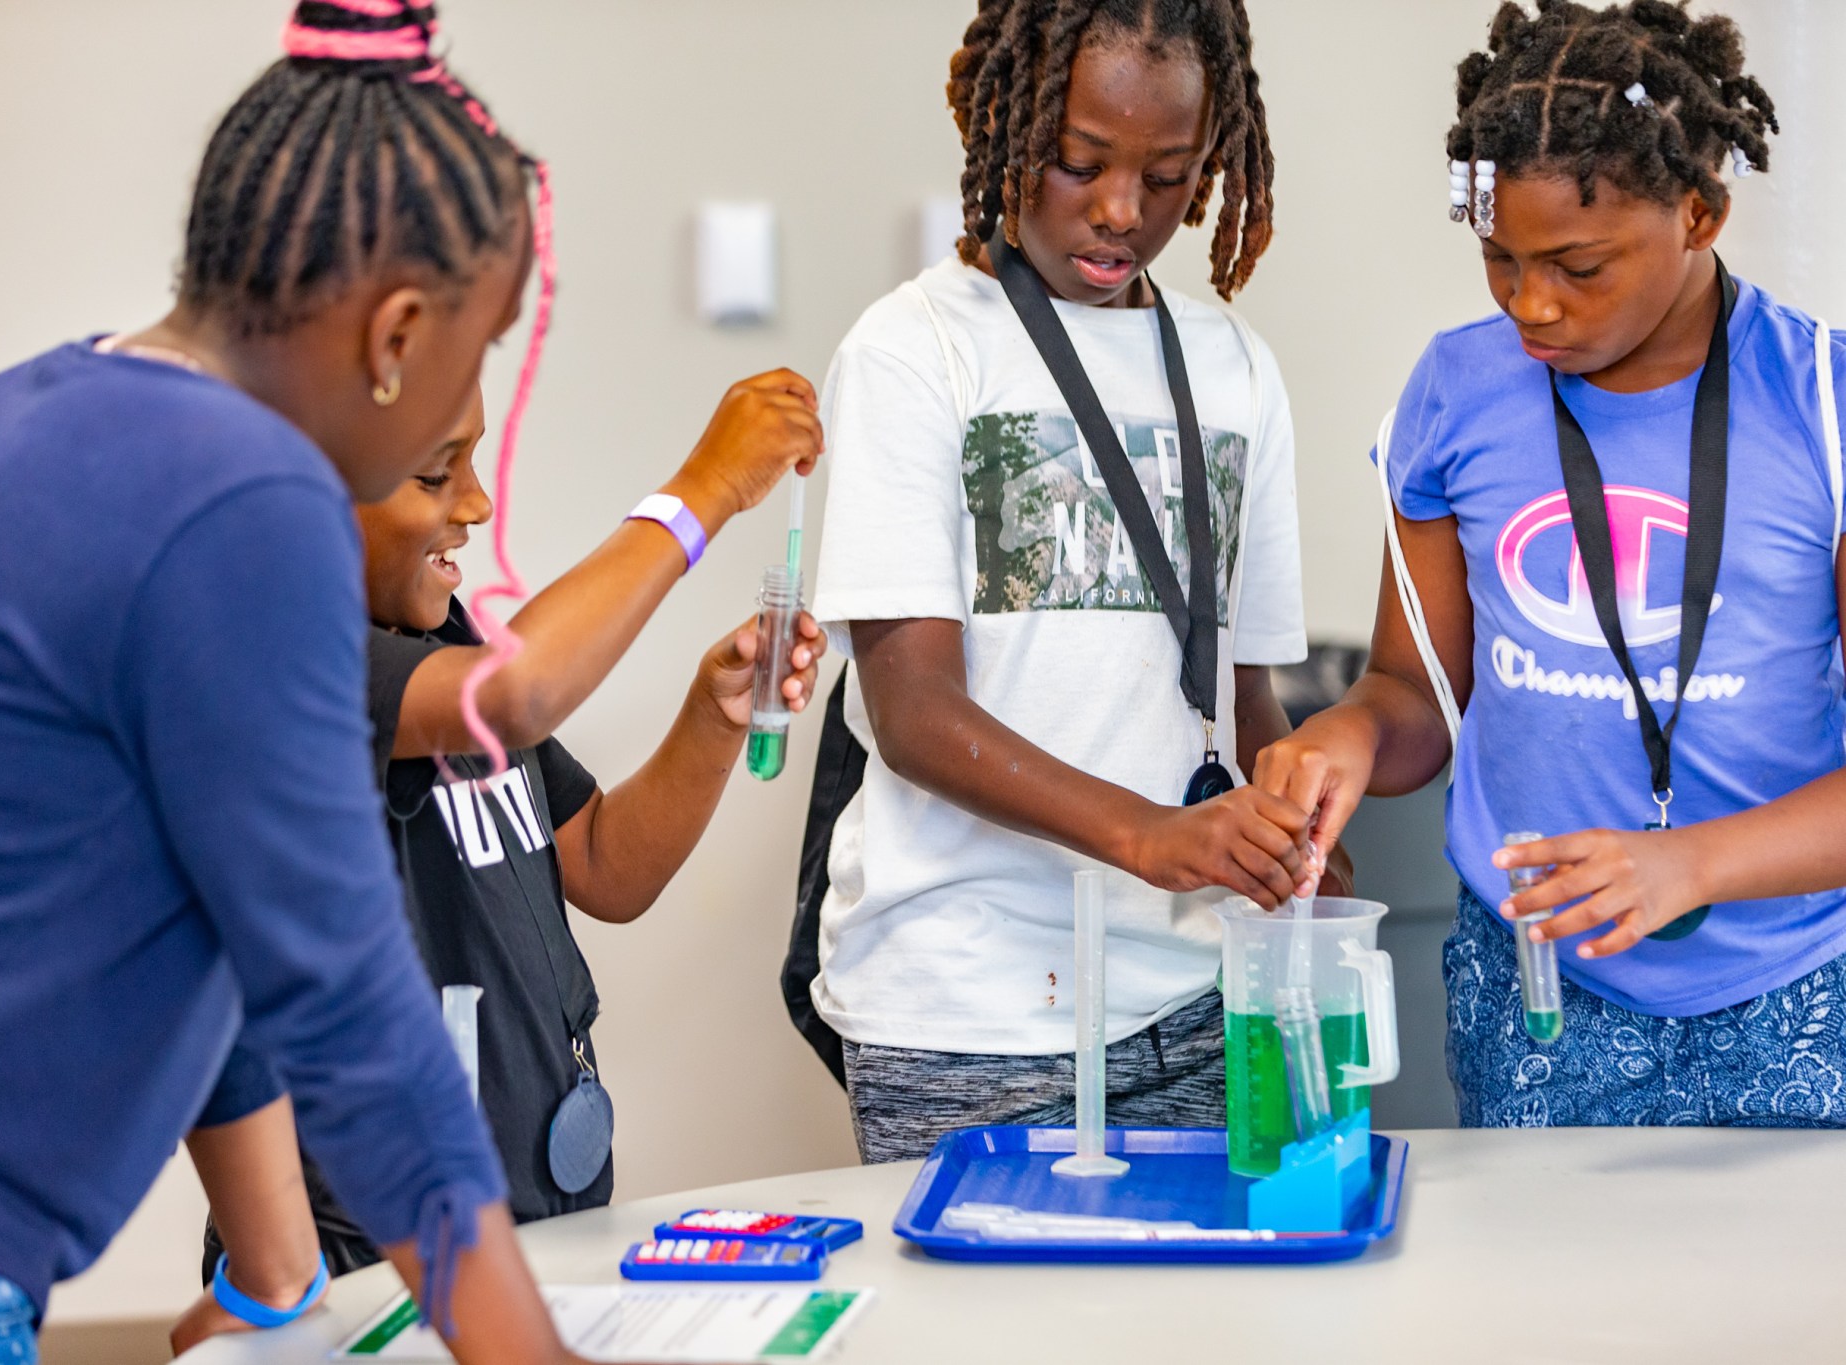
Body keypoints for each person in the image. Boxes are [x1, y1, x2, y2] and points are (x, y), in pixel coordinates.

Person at [0, 4, 812, 1362]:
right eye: (476, 359)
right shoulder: (247, 502)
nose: (478, 446)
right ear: (397, 335)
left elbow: (226, 928)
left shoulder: (34, 416)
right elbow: (350, 1006)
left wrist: (280, 1278)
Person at [1256, 0, 1846, 1128]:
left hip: (1795, 985)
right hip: (1534, 986)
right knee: (1547, 1307)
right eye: (1498, 259)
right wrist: (1348, 734)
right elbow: (1414, 695)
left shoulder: (1820, 404)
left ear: (1698, 211)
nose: (1530, 304)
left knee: (1789, 1307)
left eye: (1577, 266)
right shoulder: (1454, 392)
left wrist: (1693, 865)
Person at [169, 388, 824, 1353]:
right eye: (438, 472)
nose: (476, 504)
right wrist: (706, 489)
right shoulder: (295, 669)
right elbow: (514, 693)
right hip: (370, 1267)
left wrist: (712, 716)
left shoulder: (442, 640)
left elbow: (602, 862)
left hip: (536, 1228)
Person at [806, 0, 1326, 1166]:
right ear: (1001, 126)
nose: (1117, 212)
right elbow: (915, 716)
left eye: (1167, 177)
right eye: (1076, 162)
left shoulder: (1236, 370)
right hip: (967, 1014)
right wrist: (1149, 837)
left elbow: (1236, 696)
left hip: (1197, 1003)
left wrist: (1289, 824)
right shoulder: (916, 351)